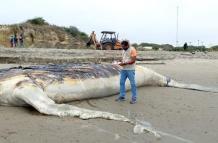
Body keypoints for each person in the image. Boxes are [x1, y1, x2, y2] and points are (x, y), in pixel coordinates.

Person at [115, 40, 137, 104]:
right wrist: (119, 62)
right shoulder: (123, 50)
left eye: (123, 46)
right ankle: (122, 96)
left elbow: (133, 60)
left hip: (130, 69)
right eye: (122, 46)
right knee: (121, 82)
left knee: (132, 84)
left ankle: (134, 98)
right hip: (124, 69)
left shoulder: (132, 49)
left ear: (127, 45)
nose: (122, 48)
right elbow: (124, 59)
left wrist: (125, 63)